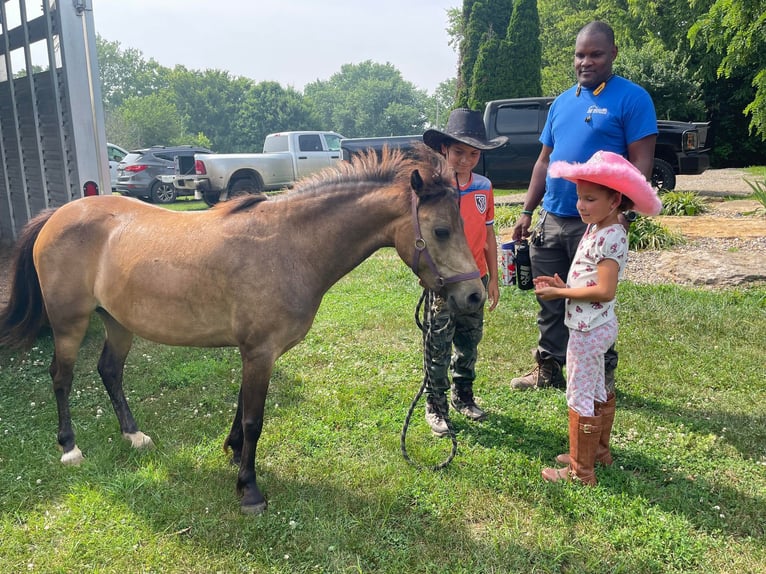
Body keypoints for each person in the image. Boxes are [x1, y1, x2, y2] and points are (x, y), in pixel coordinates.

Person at [510, 20, 657, 393]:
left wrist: (624, 213)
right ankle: (547, 367)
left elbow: (641, 164)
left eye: (595, 54)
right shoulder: (562, 102)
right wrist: (528, 210)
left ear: (613, 55)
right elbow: (545, 161)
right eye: (579, 54)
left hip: (596, 223)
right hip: (554, 217)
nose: (585, 62)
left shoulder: (632, 98)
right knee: (549, 295)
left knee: (591, 299)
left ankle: (602, 374)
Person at [535, 150, 661, 484]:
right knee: (595, 390)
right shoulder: (597, 228)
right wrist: (565, 284)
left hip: (590, 329)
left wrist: (560, 295)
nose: (581, 205)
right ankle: (598, 452)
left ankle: (580, 470)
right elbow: (590, 280)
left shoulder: (611, 235)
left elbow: (605, 290)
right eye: (579, 197)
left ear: (614, 200)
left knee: (579, 392)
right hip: (591, 324)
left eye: (590, 199)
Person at [420, 108, 507, 437]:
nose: (466, 160)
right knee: (438, 342)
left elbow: (487, 233)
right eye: (459, 152)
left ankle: (463, 395)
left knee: (469, 340)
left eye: (474, 153)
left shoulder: (483, 187)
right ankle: (436, 404)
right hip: (445, 280)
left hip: (476, 278)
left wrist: (494, 278)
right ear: (444, 150)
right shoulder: (434, 189)